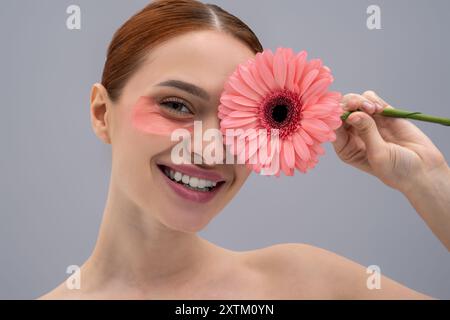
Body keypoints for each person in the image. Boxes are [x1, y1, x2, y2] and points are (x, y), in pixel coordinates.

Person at [40, 0, 449, 299]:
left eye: (241, 119)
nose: (212, 148)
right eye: (177, 105)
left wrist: (428, 181)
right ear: (100, 113)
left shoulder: (305, 284)